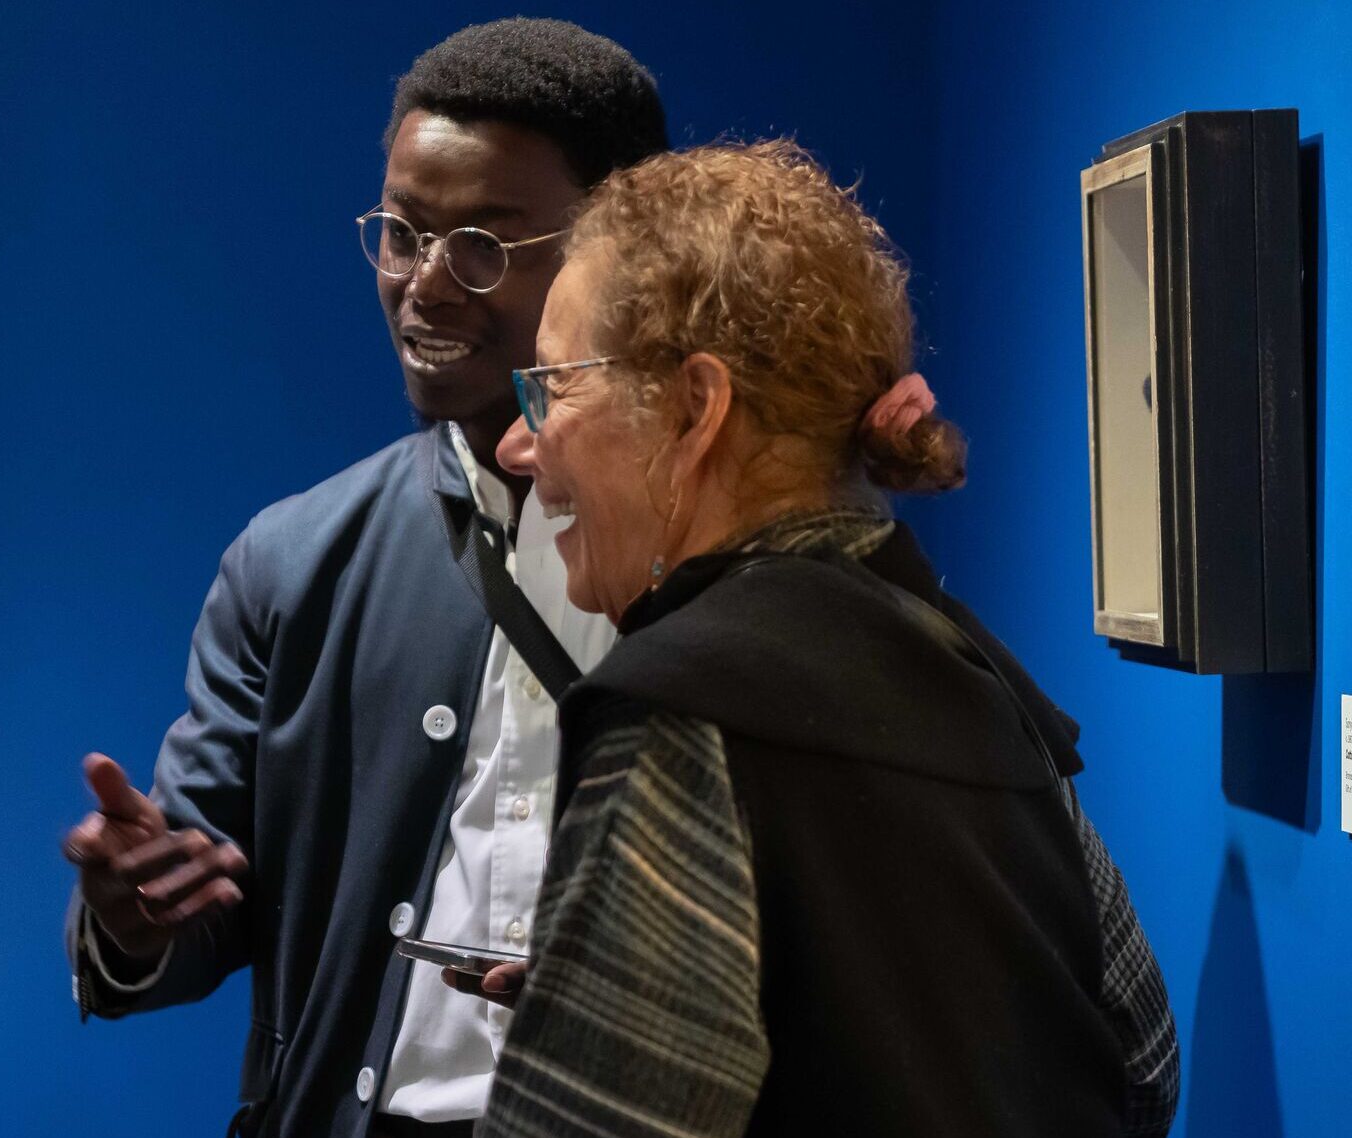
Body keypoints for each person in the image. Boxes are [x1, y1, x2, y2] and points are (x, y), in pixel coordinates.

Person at [468, 140, 1179, 1136]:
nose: (516, 439)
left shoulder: (678, 704)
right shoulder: (971, 668)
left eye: (551, 385)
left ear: (695, 407)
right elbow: (1143, 1061)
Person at [56, 19, 666, 1138]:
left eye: (481, 243)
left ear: (615, 247)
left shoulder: (719, 556)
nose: (422, 287)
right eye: (400, 232)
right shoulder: (291, 562)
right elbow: (197, 906)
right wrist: (135, 917)